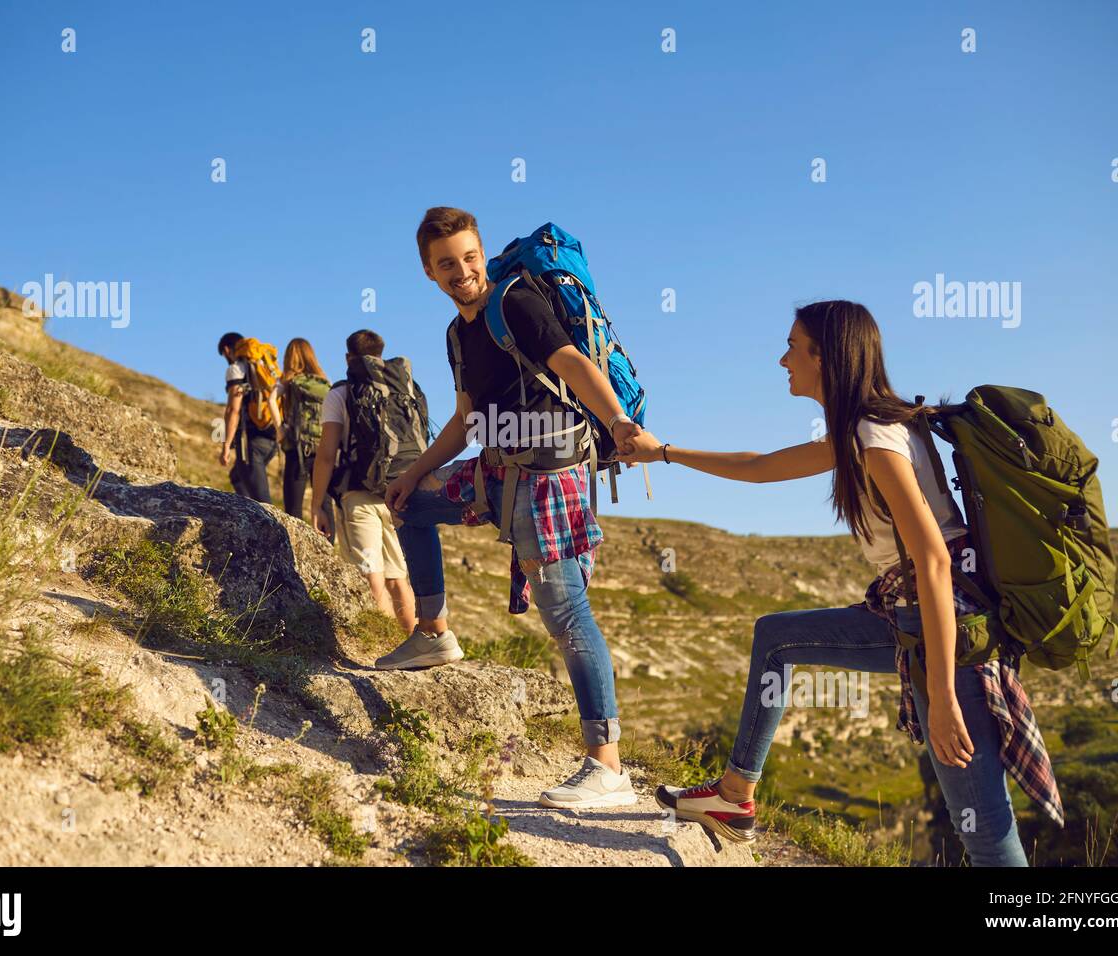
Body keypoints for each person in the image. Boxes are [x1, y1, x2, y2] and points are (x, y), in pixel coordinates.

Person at [620, 300, 1061, 866]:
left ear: (825, 356)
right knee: (775, 638)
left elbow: (932, 559)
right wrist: (663, 452)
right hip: (910, 621)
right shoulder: (869, 428)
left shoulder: (876, 435)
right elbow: (760, 466)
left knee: (985, 831)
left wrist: (945, 693)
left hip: (945, 634)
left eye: (792, 347)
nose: (783, 359)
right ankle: (733, 798)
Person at [382, 207, 643, 810]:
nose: (463, 271)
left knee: (567, 611)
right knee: (411, 506)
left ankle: (608, 768)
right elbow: (465, 419)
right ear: (429, 271)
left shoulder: (516, 301)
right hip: (497, 468)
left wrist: (619, 422)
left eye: (470, 257)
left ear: (481, 255)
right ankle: (433, 634)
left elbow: (573, 364)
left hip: (551, 473)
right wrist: (413, 474)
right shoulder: (458, 334)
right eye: (447, 263)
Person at [311, 330, 418, 633]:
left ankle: (383, 648)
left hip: (359, 496)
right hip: (402, 492)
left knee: (371, 577)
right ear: (381, 354)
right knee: (399, 579)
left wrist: (317, 503)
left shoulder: (340, 394)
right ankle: (417, 645)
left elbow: (326, 454)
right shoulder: (401, 387)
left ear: (348, 358)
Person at [275, 337, 335, 539]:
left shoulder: (290, 379)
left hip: (298, 449)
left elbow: (269, 399)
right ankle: (327, 546)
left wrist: (281, 428)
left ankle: (295, 546)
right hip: (324, 450)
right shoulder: (324, 382)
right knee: (325, 501)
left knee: (294, 504)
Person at [217, 331, 279, 505]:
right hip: (272, 435)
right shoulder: (264, 365)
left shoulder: (236, 369)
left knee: (263, 502)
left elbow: (232, 410)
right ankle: (250, 522)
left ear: (227, 350)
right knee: (237, 477)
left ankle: (265, 528)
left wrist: (226, 445)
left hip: (252, 441)